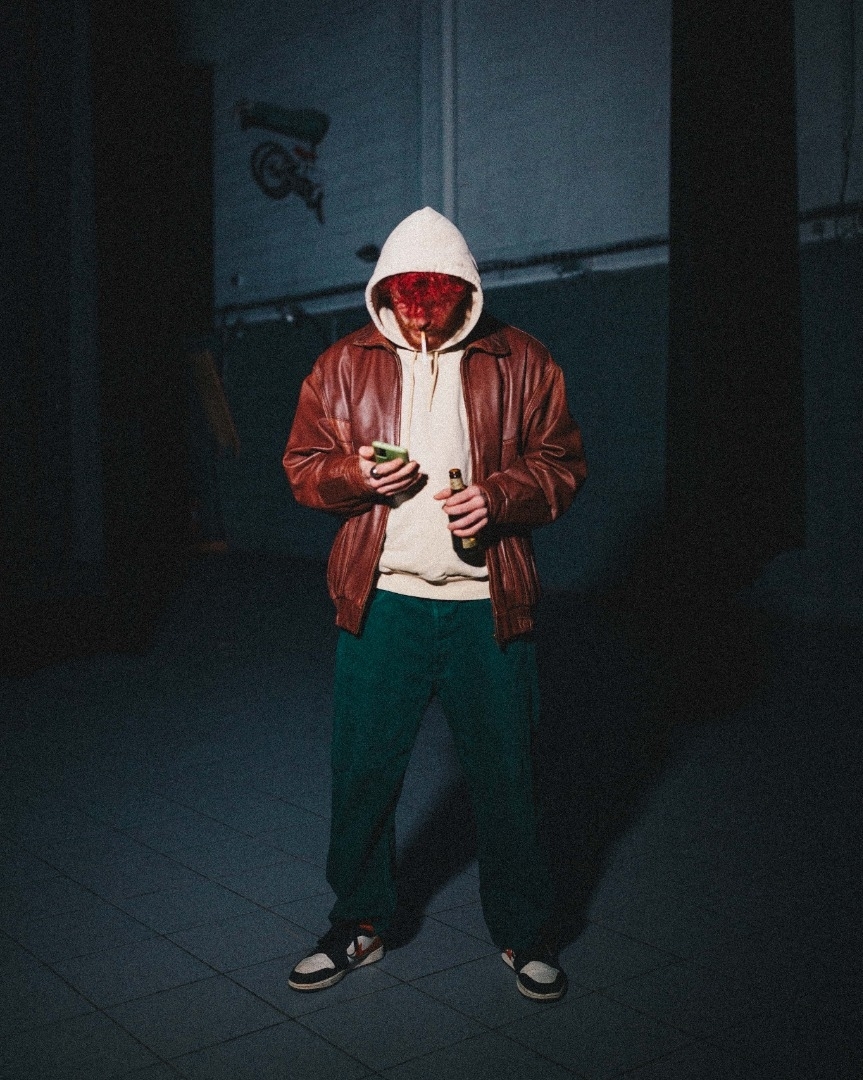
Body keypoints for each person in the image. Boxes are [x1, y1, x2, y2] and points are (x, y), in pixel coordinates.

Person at [283, 206, 586, 1001]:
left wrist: (500, 497)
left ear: (465, 289)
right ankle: (358, 923)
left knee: (508, 775)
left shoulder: (521, 359)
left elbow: (561, 465)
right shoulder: (342, 363)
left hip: (489, 606)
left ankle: (525, 932)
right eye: (406, 295)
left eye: (436, 295)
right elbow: (302, 466)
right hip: (381, 603)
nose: (420, 311)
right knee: (363, 774)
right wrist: (354, 476)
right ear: (385, 289)